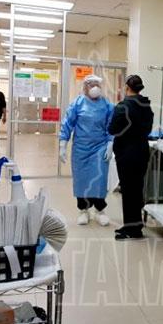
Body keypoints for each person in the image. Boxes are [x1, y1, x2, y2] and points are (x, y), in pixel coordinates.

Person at [59, 74, 114, 226]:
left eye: (97, 85)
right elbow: (67, 123)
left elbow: (111, 126)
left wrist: (110, 144)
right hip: (81, 148)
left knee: (99, 178)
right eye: (91, 85)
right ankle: (83, 210)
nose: (94, 88)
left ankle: (99, 210)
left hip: (100, 147)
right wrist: (63, 144)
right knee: (81, 179)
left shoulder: (107, 105)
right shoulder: (77, 104)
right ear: (85, 87)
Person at [109, 75, 153, 240]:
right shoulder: (146, 105)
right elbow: (147, 129)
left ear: (127, 87)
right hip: (141, 151)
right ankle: (134, 225)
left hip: (127, 153)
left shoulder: (123, 107)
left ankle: (132, 229)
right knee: (136, 190)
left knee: (128, 191)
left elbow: (113, 129)